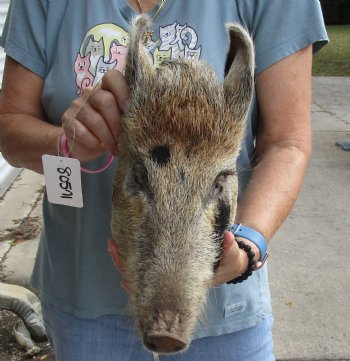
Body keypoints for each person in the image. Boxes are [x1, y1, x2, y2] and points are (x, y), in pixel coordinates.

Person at [0, 0, 328, 360]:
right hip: (82, 292)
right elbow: (9, 127)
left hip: (225, 308)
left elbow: (287, 143)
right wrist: (67, 140)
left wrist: (247, 247)